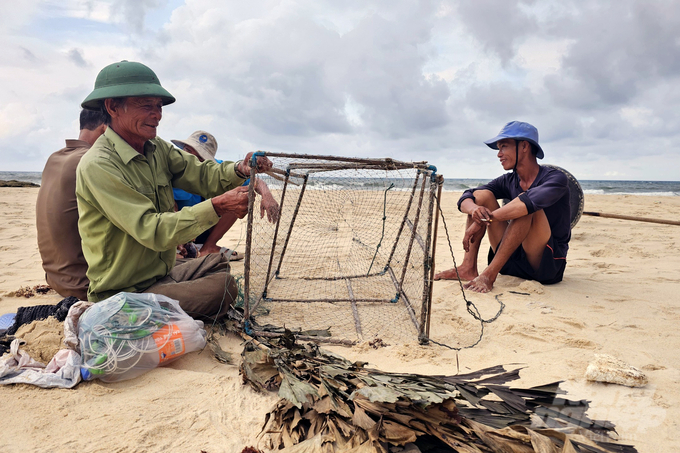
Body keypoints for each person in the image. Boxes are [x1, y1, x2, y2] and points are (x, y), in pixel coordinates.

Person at [76, 60, 277, 320]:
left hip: (160, 273)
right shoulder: (99, 164)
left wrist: (240, 168)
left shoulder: (156, 147)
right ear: (113, 107)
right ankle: (132, 313)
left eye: (159, 106)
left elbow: (203, 174)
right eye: (146, 105)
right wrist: (217, 206)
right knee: (223, 287)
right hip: (124, 291)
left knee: (218, 263)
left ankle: (166, 300)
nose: (157, 114)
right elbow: (152, 230)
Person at [434, 121, 571, 293]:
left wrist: (484, 221)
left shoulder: (557, 179)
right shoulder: (508, 180)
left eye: (504, 147)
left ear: (524, 146)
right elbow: (469, 195)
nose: (499, 154)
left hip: (546, 266)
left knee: (525, 204)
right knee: (482, 197)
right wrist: (475, 212)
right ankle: (467, 267)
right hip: (511, 261)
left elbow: (527, 202)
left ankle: (489, 274)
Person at [171, 130, 278, 258]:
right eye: (188, 151)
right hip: (175, 229)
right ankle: (176, 248)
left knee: (240, 194)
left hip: (204, 228)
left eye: (198, 156)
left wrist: (267, 195)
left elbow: (253, 180)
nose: (191, 158)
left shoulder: (215, 167)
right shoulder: (172, 167)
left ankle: (209, 246)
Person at [36, 109, 107, 300]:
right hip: (84, 286)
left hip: (56, 279)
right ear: (105, 130)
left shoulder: (54, 158)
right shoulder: (92, 161)